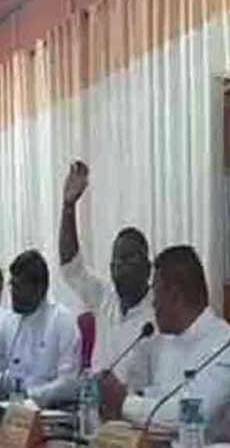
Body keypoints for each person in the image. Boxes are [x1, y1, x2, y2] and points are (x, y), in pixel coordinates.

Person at [98, 246, 230, 443]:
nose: (153, 304)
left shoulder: (227, 345)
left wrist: (124, 404)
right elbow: (150, 394)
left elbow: (187, 416)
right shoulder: (162, 341)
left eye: (156, 294)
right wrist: (119, 398)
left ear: (175, 296)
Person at [59, 161, 154, 389]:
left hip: (137, 407)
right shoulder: (104, 296)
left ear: (148, 267)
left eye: (129, 259)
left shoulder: (161, 313)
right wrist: (68, 207)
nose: (120, 266)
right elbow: (71, 266)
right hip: (95, 404)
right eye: (116, 261)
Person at [0, 250, 80, 407]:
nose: (13, 293)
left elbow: (69, 384)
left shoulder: (61, 319)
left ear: (41, 288)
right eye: (12, 285)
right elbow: (3, 372)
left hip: (52, 410)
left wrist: (31, 396)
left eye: (19, 286)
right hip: (15, 410)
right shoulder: (10, 321)